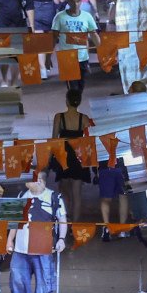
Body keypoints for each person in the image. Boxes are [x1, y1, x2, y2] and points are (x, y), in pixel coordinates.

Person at [6, 188, 64, 293]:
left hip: (43, 248)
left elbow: (63, 219)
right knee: (16, 280)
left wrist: (61, 238)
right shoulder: (20, 195)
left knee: (45, 281)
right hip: (20, 249)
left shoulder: (55, 197)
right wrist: (9, 240)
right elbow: (13, 219)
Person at [48, 84, 94, 220]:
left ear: (67, 101)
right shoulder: (84, 118)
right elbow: (89, 140)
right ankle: (75, 224)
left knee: (64, 190)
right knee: (77, 194)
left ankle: (66, 219)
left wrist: (50, 157)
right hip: (79, 155)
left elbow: (54, 138)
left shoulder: (59, 117)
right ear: (78, 102)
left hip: (64, 155)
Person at [50, 0, 97, 93]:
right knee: (72, 88)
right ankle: (73, 107)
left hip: (82, 57)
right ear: (68, 1)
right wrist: (48, 57)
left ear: (81, 2)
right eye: (72, 1)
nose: (75, 4)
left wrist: (102, 46)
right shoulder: (59, 17)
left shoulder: (87, 16)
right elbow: (53, 38)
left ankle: (74, 104)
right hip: (67, 57)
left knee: (80, 87)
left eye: (77, 1)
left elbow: (93, 35)